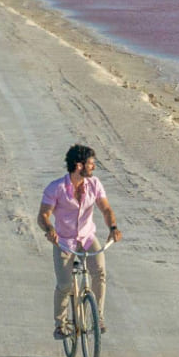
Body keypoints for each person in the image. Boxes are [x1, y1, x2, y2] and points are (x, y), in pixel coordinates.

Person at [37, 143, 122, 338]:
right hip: (64, 242)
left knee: (99, 272)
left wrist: (113, 228)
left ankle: (98, 316)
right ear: (79, 165)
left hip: (87, 237)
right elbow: (43, 215)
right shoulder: (56, 187)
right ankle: (60, 324)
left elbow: (106, 209)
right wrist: (50, 229)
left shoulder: (94, 184)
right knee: (65, 284)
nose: (94, 167)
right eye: (91, 164)